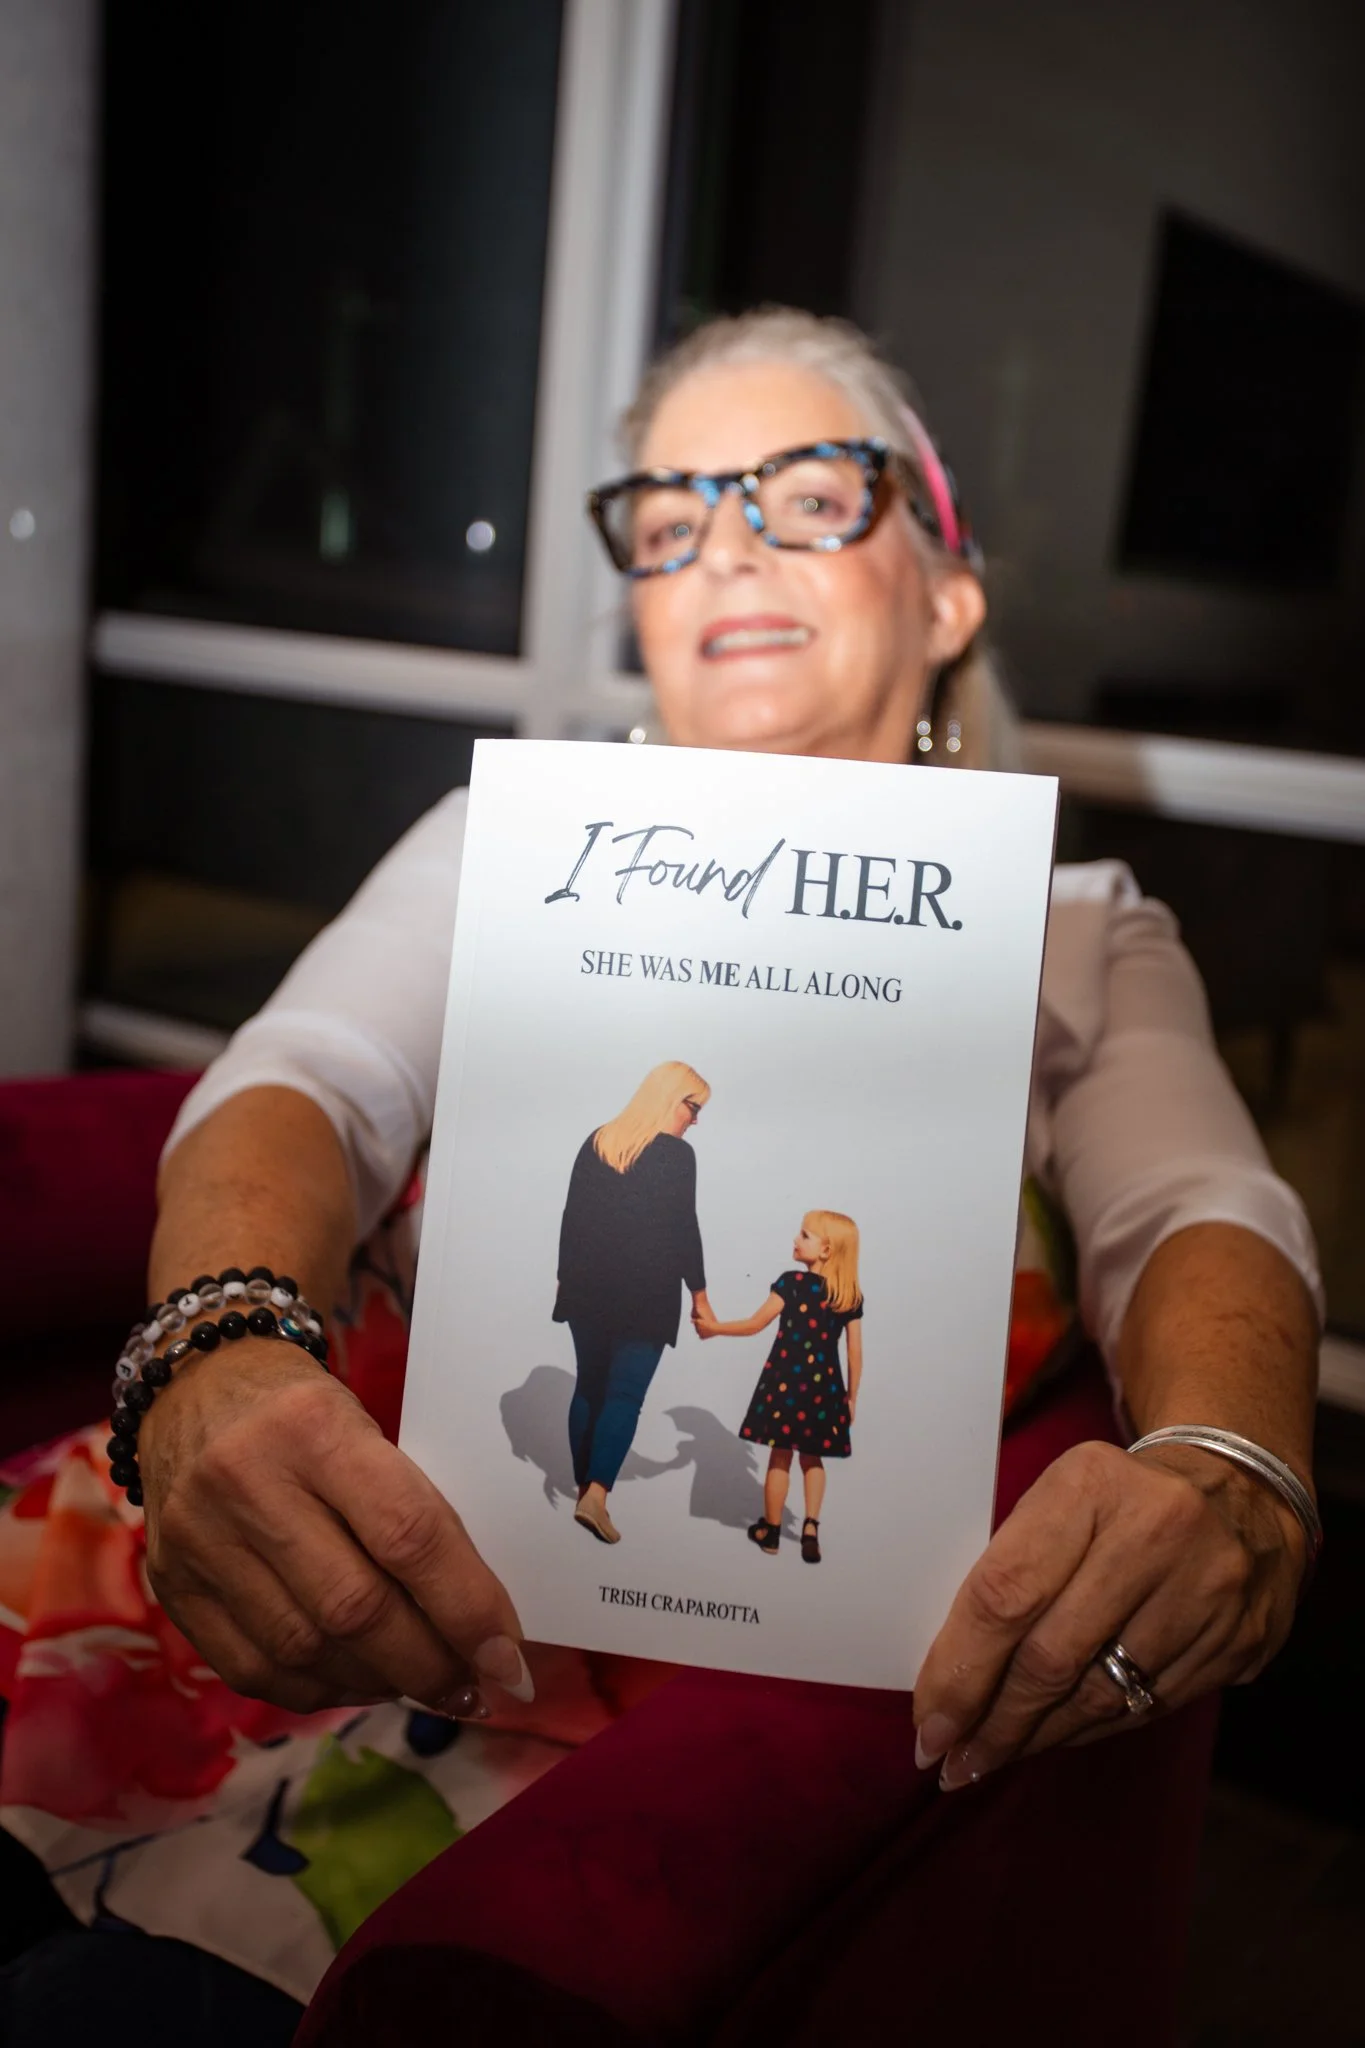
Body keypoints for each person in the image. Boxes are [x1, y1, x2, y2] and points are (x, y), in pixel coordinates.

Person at [0, 307, 1322, 2038]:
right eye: (675, 514)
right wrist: (218, 1348)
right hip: (247, 1549)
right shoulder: (513, 844)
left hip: (620, 1725)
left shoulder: (1075, 934)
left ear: (945, 593)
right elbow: (304, 1080)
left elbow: (1197, 1208)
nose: (728, 547)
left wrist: (1232, 1452)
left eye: (804, 494)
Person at [553, 1061, 713, 1543]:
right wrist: (700, 1296)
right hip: (647, 1293)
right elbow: (685, 1228)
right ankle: (597, 1497)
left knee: (589, 1388)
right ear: (671, 1098)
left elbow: (571, 1216)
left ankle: (585, 1489)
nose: (696, 1120)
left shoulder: (599, 1140)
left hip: (588, 1287)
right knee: (624, 1396)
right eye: (694, 1107)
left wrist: (565, 1278)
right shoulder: (677, 1157)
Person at [696, 1210, 863, 1564]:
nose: (795, 1240)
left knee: (780, 1455)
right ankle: (811, 1528)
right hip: (824, 1390)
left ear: (826, 1250)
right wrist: (851, 1397)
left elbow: (755, 1324)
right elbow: (854, 1354)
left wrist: (715, 1328)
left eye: (804, 1235)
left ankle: (771, 1532)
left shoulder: (791, 1284)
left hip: (785, 1384)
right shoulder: (846, 1295)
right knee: (813, 1457)